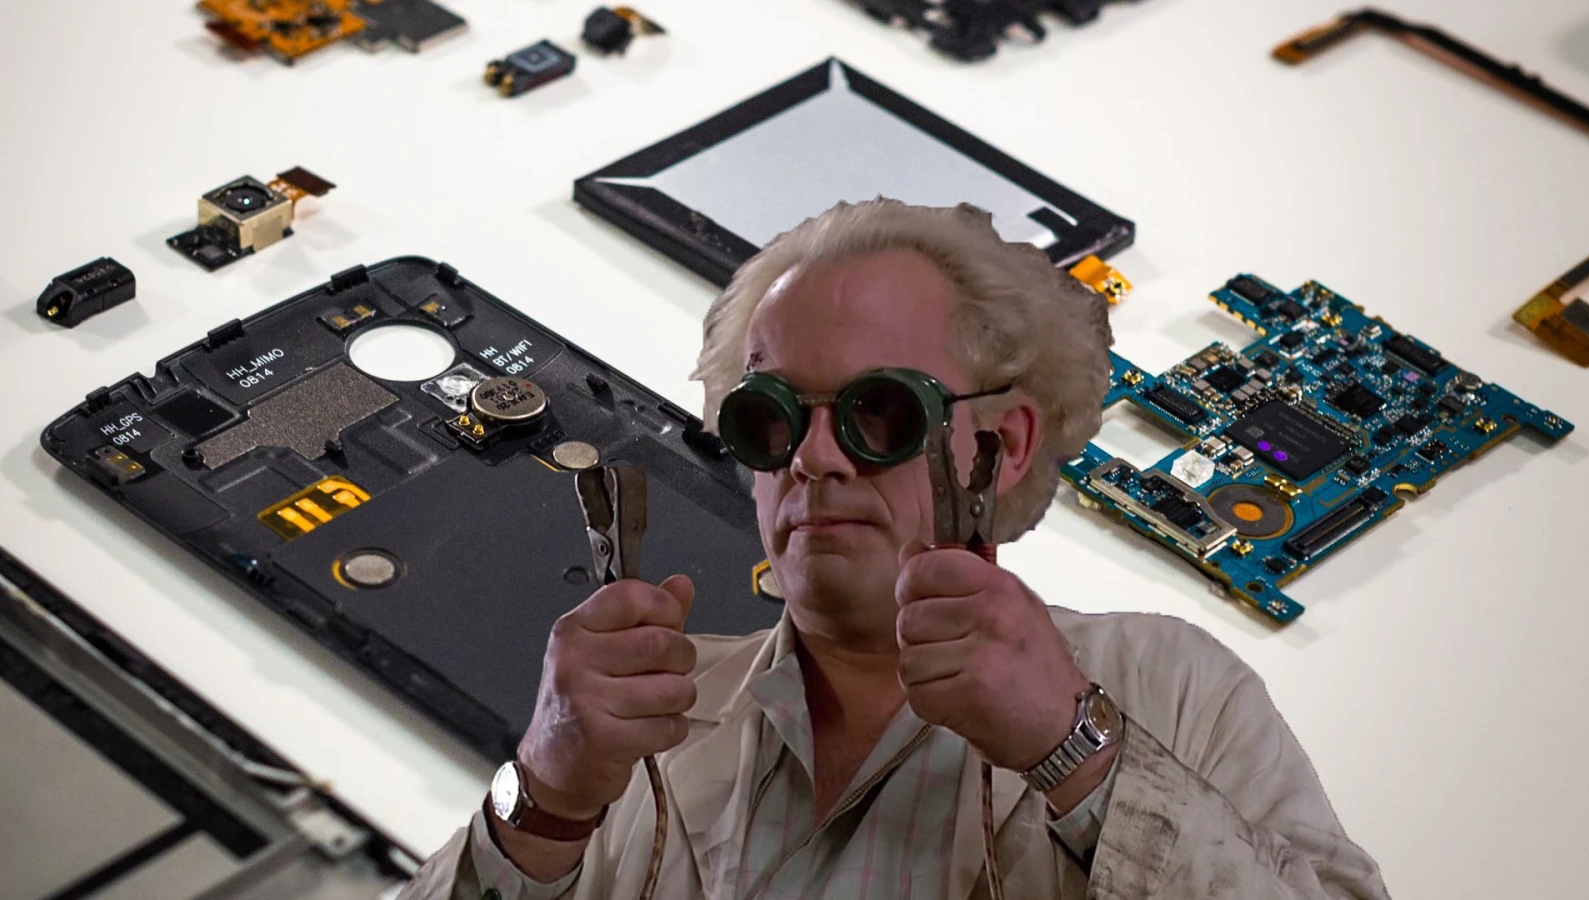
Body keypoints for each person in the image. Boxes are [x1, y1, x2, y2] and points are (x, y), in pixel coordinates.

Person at [400, 199, 1390, 899]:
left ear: (1001, 445)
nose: (814, 457)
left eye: (878, 411)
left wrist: (1076, 750)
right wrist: (543, 796)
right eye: (769, 415)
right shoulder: (647, 726)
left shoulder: (1171, 687)